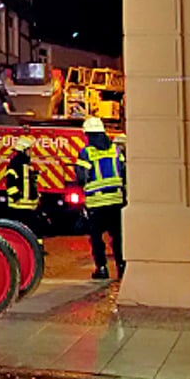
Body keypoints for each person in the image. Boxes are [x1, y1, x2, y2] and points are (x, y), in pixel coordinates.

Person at [76, 116, 126, 280]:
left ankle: (102, 269)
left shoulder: (86, 153)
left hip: (96, 203)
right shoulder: (115, 150)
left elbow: (81, 177)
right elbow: (124, 171)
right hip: (116, 200)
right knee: (117, 237)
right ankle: (121, 266)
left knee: (96, 238)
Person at [5, 135, 40, 214]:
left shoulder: (26, 164)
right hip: (19, 207)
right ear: (23, 150)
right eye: (29, 149)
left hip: (29, 207)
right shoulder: (15, 164)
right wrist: (16, 196)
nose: (31, 152)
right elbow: (10, 183)